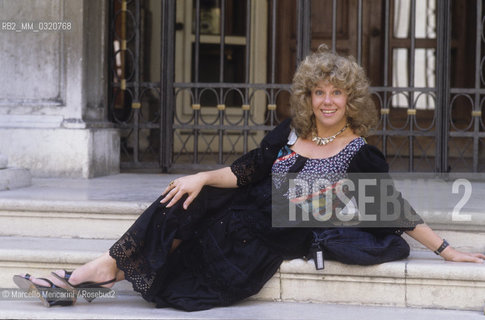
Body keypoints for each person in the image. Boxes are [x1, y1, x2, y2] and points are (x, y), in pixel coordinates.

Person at [14, 44, 485, 310]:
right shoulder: (289, 131)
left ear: (350, 100)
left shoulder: (361, 154)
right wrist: (199, 175)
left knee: (210, 226)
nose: (325, 101)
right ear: (306, 96)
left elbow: (393, 210)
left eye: (336, 93)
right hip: (239, 209)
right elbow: (246, 172)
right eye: (317, 91)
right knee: (185, 196)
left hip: (267, 235)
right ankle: (94, 272)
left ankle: (87, 276)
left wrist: (446, 249)